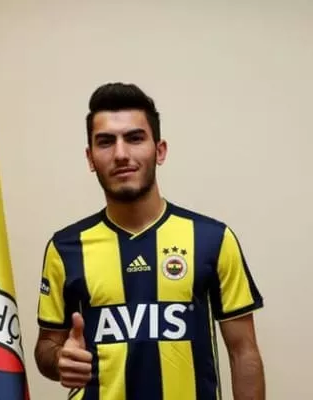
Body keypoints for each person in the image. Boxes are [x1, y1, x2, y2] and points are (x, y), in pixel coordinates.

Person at [33, 82, 265, 400]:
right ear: (90, 158)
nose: (121, 154)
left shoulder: (212, 239)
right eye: (105, 142)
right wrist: (60, 359)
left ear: (160, 150)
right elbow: (47, 345)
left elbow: (243, 352)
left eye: (135, 138)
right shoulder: (65, 248)